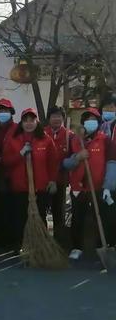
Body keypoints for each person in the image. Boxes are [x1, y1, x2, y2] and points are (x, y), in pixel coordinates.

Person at [63, 108, 116, 260]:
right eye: (87, 120)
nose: (90, 123)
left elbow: (112, 163)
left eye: (93, 120)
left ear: (98, 123)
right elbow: (65, 164)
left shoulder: (105, 140)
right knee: (77, 217)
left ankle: (103, 246)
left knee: (102, 217)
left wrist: (108, 186)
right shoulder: (74, 140)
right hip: (79, 188)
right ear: (83, 123)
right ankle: (76, 247)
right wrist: (77, 158)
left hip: (99, 187)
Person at [2, 108, 57, 252]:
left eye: (31, 120)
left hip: (40, 186)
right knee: (20, 218)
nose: (28, 123)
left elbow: (52, 162)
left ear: (36, 121)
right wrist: (20, 154)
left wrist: (52, 180)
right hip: (20, 187)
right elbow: (6, 161)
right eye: (25, 121)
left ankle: (40, 245)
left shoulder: (45, 139)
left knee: (40, 215)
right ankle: (20, 244)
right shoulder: (14, 139)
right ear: (21, 123)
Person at [0, 98, 18, 250]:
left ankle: (13, 240)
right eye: (0, 111)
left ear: (11, 113)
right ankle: (0, 240)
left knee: (12, 209)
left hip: (12, 174)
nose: (3, 113)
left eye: (5, 110)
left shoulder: (17, 129)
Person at [44, 106, 72, 232]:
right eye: (53, 116)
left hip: (61, 181)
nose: (56, 119)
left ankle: (59, 240)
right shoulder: (42, 134)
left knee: (58, 212)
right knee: (41, 211)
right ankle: (43, 240)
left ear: (63, 118)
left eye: (59, 116)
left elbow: (73, 158)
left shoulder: (69, 136)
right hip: (44, 180)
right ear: (49, 118)